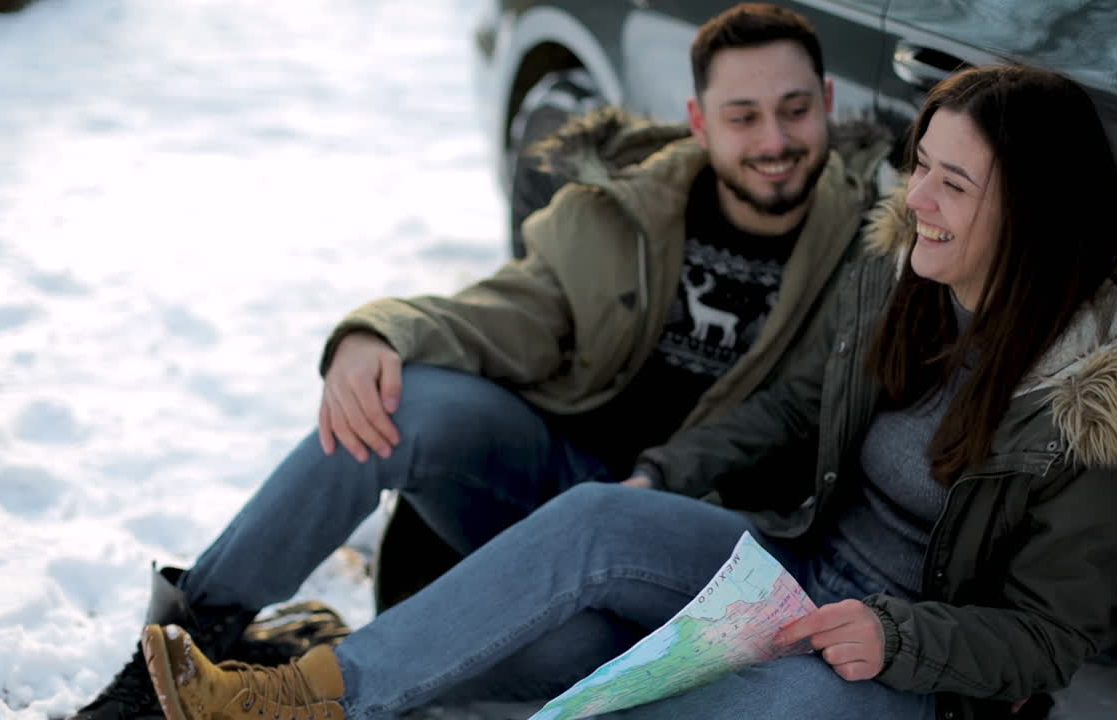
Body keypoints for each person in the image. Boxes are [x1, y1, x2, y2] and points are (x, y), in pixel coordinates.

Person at [137, 63, 1117, 720]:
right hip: (788, 572)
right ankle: (297, 697)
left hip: (897, 667)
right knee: (590, 535)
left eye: (951, 181)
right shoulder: (899, 281)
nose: (914, 196)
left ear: (1027, 211)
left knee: (624, 693)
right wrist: (667, 474)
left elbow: (1046, 638)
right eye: (917, 163)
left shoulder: (1100, 396)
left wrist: (898, 639)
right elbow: (796, 412)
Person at [70, 4, 893, 718]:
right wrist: (376, 333)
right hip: (552, 484)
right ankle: (185, 638)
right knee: (404, 399)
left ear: (826, 104)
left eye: (793, 111)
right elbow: (514, 309)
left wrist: (654, 481)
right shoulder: (630, 212)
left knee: (554, 649)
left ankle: (295, 681)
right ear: (699, 119)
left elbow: (786, 415)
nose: (775, 141)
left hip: (680, 544)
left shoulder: (868, 256)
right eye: (744, 116)